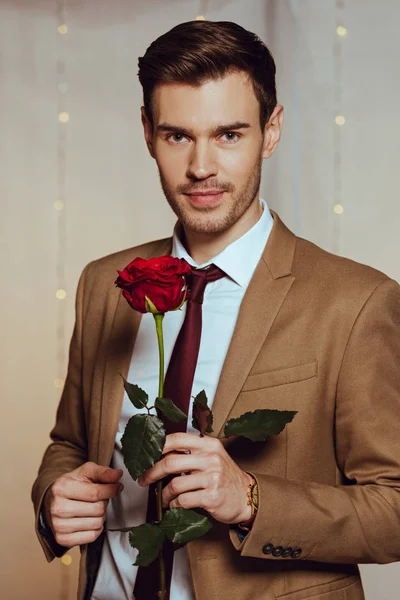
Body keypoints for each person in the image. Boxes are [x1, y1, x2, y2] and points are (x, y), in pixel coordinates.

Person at [31, 19, 400, 600]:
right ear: (148, 132)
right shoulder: (104, 283)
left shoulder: (356, 301)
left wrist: (252, 500)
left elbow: (393, 509)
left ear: (271, 131)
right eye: (178, 135)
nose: (202, 166)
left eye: (229, 135)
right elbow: (71, 444)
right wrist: (54, 498)